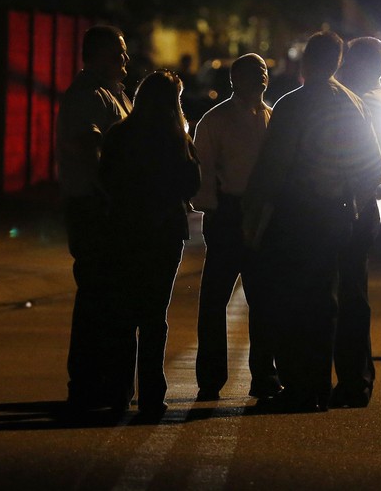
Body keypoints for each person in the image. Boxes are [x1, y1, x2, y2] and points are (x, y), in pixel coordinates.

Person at [242, 31, 381, 413]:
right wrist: (350, 197)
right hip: (340, 213)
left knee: (299, 301)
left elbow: (273, 167)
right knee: (336, 300)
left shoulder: (294, 105)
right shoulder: (354, 104)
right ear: (338, 62)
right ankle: (336, 385)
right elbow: (374, 166)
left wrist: (254, 212)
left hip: (299, 215)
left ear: (306, 61)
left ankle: (305, 386)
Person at [98, 70, 201, 418]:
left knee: (124, 313)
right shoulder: (176, 138)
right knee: (155, 315)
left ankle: (118, 391)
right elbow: (192, 184)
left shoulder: (120, 134)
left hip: (125, 229)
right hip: (165, 231)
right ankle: (153, 393)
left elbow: (106, 180)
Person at [191, 53, 281, 402]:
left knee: (263, 300)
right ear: (235, 79)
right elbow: (204, 170)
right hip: (228, 212)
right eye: (252, 71)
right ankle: (211, 378)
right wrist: (215, 211)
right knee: (215, 300)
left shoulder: (271, 117)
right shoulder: (217, 120)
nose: (261, 76)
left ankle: (264, 375)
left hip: (262, 212)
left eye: (263, 71)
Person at [55, 24, 133, 413]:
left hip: (104, 207)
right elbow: (91, 151)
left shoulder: (112, 94)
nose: (126, 60)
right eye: (119, 53)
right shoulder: (88, 96)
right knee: (96, 298)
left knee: (106, 299)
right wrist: (114, 198)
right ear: (98, 55)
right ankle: (86, 384)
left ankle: (97, 381)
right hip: (94, 209)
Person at [332, 36, 381, 408]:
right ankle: (357, 376)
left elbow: (363, 165)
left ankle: (355, 380)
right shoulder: (370, 98)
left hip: (352, 204)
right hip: (360, 204)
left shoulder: (365, 103)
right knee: (351, 293)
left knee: (348, 296)